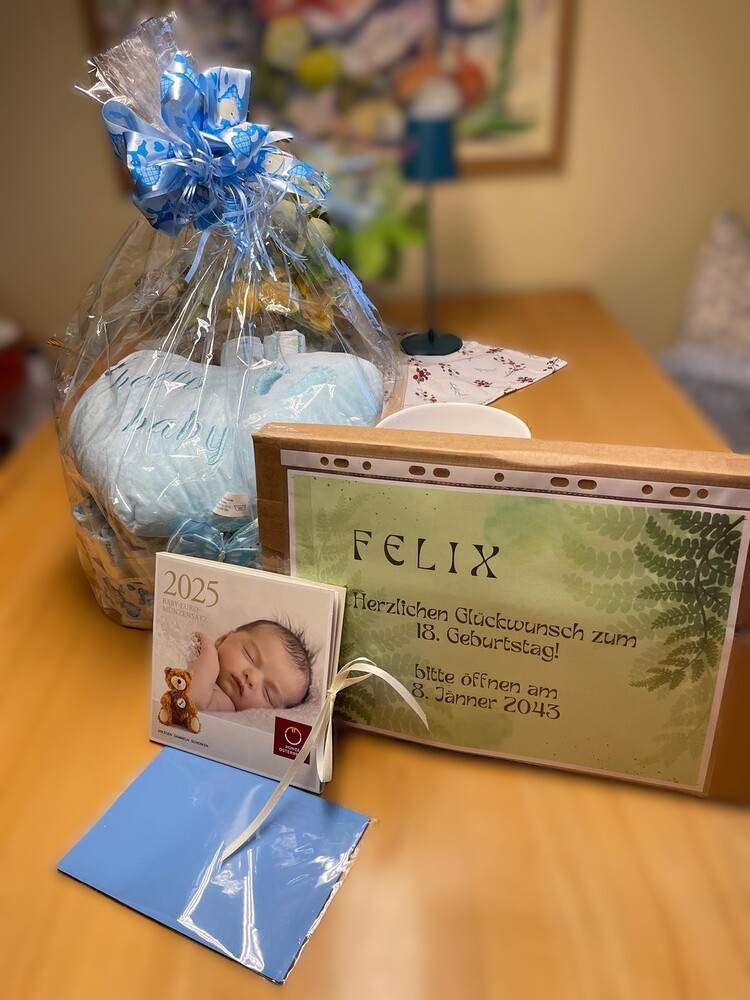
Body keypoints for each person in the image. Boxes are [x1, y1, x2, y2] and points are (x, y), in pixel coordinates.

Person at [189, 619, 313, 713]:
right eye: (250, 656)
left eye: (267, 693)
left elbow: (193, 702)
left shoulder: (224, 702)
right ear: (223, 639)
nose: (252, 678)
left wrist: (209, 657)